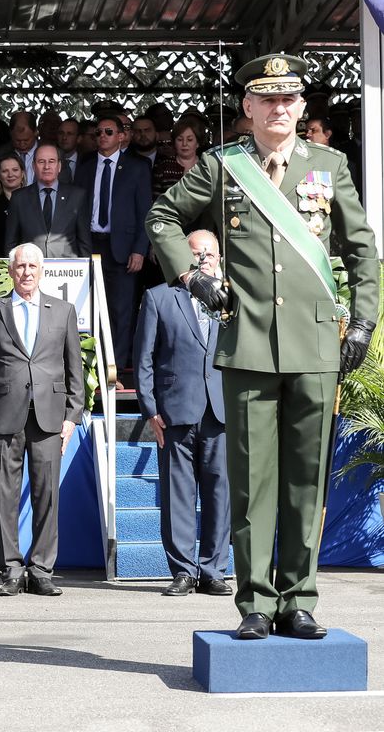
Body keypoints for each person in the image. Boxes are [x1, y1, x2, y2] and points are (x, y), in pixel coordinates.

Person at [146, 53, 379, 640]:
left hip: (317, 343)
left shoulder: (329, 166)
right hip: (247, 341)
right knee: (250, 482)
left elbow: (361, 251)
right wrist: (191, 276)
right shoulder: (225, 168)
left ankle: (298, 597)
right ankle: (254, 600)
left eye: (289, 100)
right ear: (247, 108)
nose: (280, 109)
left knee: (306, 478)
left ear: (301, 108)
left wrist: (362, 324)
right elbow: (162, 216)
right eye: (268, 100)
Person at [0, 243, 84, 597]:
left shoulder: (62, 311)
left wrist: (73, 416)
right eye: (20, 267)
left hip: (50, 417)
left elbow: (74, 366)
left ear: (42, 270)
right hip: (4, 417)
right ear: (10, 271)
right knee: (6, 495)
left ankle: (42, 568)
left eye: (33, 266)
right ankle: (12, 569)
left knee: (47, 493)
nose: (27, 272)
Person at [134, 231, 231, 597]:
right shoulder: (160, 298)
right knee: (177, 494)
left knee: (220, 491)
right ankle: (183, 570)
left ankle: (214, 569)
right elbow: (144, 359)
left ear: (220, 257)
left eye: (210, 253)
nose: (204, 258)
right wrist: (150, 409)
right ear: (183, 259)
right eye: (196, 253)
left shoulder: (233, 299)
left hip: (222, 411)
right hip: (174, 412)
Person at [76, 115, 152, 371]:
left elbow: (145, 212)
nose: (102, 136)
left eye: (108, 132)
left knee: (121, 311)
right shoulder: (85, 166)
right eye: (98, 132)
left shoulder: (138, 166)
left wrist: (139, 250)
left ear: (122, 136)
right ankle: (90, 367)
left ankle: (115, 368)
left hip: (122, 247)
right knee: (92, 307)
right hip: (91, 244)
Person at [4, 143, 91, 258]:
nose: (46, 166)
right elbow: (11, 242)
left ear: (59, 166)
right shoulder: (19, 197)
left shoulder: (77, 196)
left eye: (51, 161)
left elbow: (84, 241)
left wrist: (86, 271)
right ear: (34, 166)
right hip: (30, 269)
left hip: (67, 270)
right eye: (41, 162)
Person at [151, 117, 206, 200]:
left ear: (198, 143)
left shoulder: (206, 167)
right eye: (180, 139)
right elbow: (156, 201)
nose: (184, 144)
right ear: (174, 143)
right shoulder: (163, 167)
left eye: (189, 140)